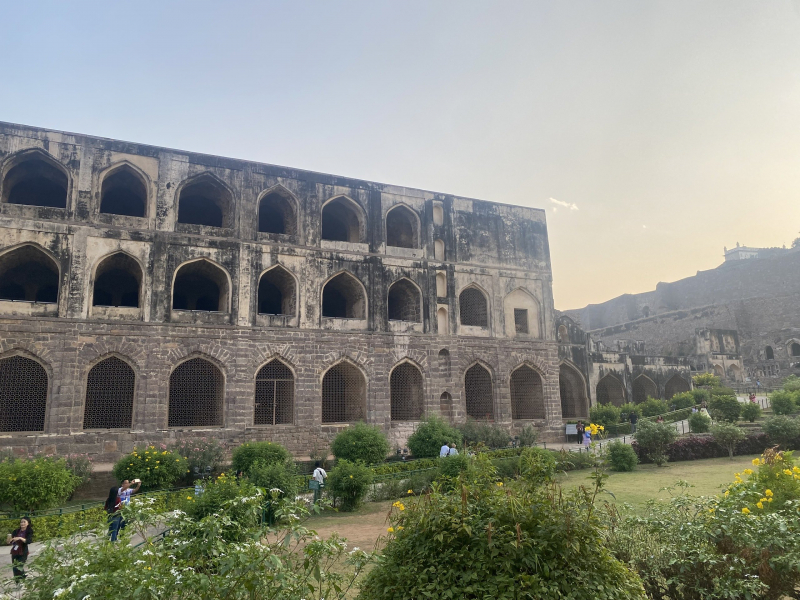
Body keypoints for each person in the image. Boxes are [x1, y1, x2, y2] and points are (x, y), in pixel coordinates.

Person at [7, 517, 33, 581]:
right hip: (15, 551)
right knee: (14, 568)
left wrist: (20, 538)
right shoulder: (16, 531)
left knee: (19, 567)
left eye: (24, 522)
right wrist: (9, 540)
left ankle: (23, 578)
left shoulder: (29, 531)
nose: (22, 523)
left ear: (28, 523)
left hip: (23, 551)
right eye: (21, 522)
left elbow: (28, 541)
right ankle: (18, 582)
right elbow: (10, 542)